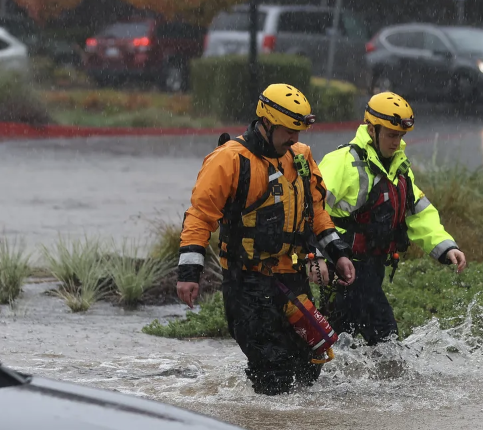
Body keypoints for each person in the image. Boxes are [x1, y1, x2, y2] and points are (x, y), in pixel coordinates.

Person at [176, 83, 356, 395]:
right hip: (247, 285)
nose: (294, 139)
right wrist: (189, 273)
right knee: (273, 371)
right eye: (288, 131)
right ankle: (262, 423)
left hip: (293, 280)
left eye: (298, 131)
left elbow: (315, 211)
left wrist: (338, 253)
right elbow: (200, 217)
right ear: (267, 123)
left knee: (309, 365)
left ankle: (298, 426)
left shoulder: (300, 157)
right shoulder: (228, 160)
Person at [317, 92, 467, 346]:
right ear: (371, 130)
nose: (396, 142)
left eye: (400, 136)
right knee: (387, 344)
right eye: (390, 135)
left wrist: (445, 246)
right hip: (344, 267)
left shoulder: (399, 169)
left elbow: (418, 212)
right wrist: (317, 257)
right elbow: (311, 210)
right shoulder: (341, 162)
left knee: (336, 342)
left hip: (373, 268)